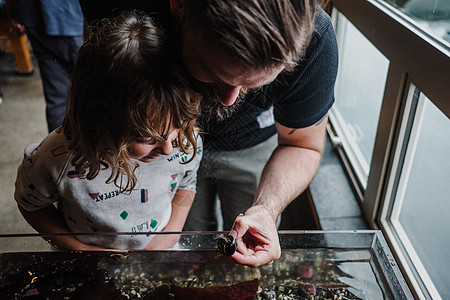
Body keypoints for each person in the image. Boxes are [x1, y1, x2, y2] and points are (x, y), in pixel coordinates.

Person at [79, 0, 338, 267]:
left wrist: (266, 210)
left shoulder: (314, 37)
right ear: (179, 6)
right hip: (158, 149)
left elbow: (302, 145)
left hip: (253, 145)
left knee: (246, 244)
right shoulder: (122, 9)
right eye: (216, 74)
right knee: (183, 251)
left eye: (253, 84)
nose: (229, 100)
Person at [14, 12, 203, 250]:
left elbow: (187, 182)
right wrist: (79, 249)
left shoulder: (185, 138)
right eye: (146, 138)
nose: (168, 149)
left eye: (177, 127)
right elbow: (31, 203)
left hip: (160, 253)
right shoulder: (56, 157)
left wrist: (170, 234)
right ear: (100, 119)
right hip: (87, 263)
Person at [7, 0, 84, 132]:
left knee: (57, 95)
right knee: (100, 90)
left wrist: (13, 11)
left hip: (32, 15)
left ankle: (59, 151)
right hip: (67, 14)